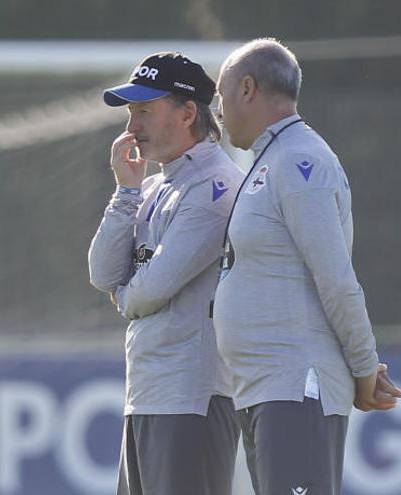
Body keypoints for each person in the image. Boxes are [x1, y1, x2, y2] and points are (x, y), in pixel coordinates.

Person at [212, 38, 401, 495]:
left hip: (298, 386)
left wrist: (363, 370)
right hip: (265, 389)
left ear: (247, 88)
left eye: (221, 97)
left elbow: (336, 279)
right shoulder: (270, 158)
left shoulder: (302, 160)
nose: (219, 112)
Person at [88, 52, 243, 495]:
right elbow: (102, 273)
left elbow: (149, 290)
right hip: (150, 392)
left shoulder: (217, 186)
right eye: (131, 112)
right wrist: (125, 192)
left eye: (144, 111)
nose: (132, 126)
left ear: (188, 112)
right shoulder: (152, 186)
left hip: (193, 398)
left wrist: (127, 293)